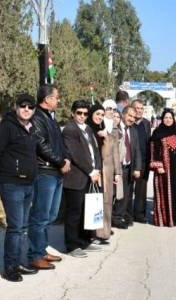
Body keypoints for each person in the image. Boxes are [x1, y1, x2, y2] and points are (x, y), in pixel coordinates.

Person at [0, 94, 43, 282]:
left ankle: (19, 262)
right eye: (23, 106)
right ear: (16, 107)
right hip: (11, 184)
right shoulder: (6, 127)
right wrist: (1, 177)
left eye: (30, 106)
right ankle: (10, 267)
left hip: (28, 183)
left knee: (23, 226)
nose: (27, 109)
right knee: (15, 227)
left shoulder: (31, 128)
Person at [28, 84, 69, 271]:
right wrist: (60, 162)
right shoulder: (37, 117)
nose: (58, 100)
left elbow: (59, 143)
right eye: (56, 97)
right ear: (47, 99)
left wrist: (66, 159)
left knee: (50, 215)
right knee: (40, 215)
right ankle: (34, 255)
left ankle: (41, 249)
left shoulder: (50, 118)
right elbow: (41, 145)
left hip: (56, 172)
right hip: (45, 172)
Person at [62, 100, 102, 258]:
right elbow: (76, 154)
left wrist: (97, 168)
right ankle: (72, 245)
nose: (82, 116)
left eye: (85, 113)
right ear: (73, 113)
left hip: (90, 176)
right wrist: (91, 171)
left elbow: (95, 151)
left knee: (87, 211)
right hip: (76, 178)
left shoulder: (88, 129)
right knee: (74, 212)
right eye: (79, 113)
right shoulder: (70, 130)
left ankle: (84, 241)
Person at [86, 103, 121, 242]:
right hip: (94, 171)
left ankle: (103, 232)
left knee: (106, 202)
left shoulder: (110, 128)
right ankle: (92, 233)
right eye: (99, 113)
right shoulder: (89, 129)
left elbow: (115, 153)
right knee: (94, 202)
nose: (101, 116)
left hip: (107, 171)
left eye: (112, 109)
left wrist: (117, 173)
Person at [150, 109, 176, 227]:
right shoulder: (157, 133)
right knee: (163, 193)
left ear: (173, 119)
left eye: (170, 118)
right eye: (166, 118)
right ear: (162, 119)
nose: (168, 120)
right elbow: (153, 150)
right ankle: (164, 220)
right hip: (163, 170)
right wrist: (158, 165)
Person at [112, 107, 144, 228]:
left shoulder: (133, 131)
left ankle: (120, 217)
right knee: (116, 194)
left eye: (134, 117)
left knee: (126, 195)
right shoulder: (115, 129)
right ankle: (115, 218)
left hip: (128, 167)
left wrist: (137, 168)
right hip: (117, 168)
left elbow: (137, 150)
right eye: (130, 116)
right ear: (123, 115)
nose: (132, 119)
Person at [131, 99, 151, 223]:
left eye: (141, 108)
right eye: (137, 108)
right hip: (130, 161)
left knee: (141, 189)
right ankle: (126, 214)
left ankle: (139, 214)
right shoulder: (128, 122)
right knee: (128, 189)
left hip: (144, 161)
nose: (139, 110)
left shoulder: (146, 123)